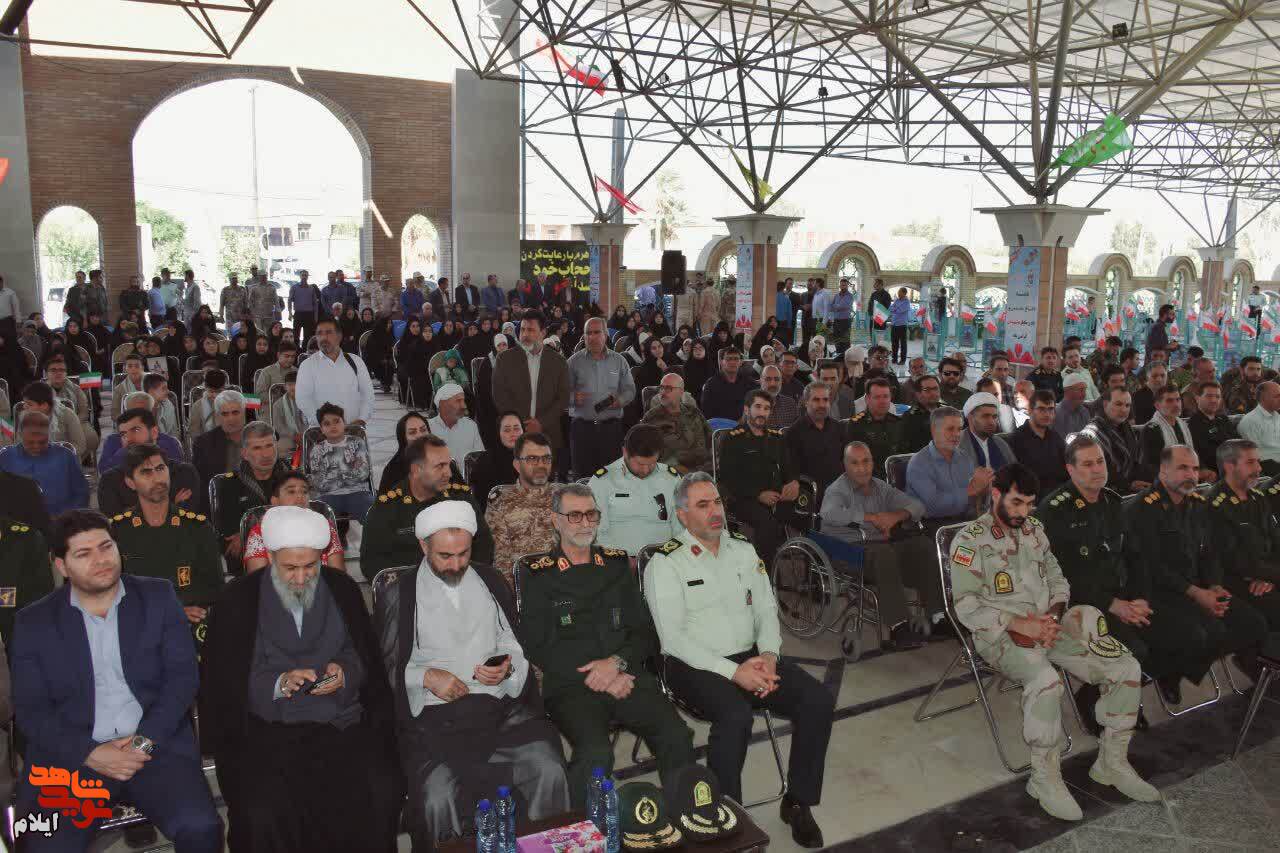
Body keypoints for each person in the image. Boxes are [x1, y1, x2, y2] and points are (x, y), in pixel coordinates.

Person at [949, 464, 1157, 821]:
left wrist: (1054, 618)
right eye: (1016, 502)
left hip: (1050, 626)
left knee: (1125, 666)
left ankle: (1112, 763)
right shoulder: (970, 540)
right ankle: (1043, 778)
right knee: (1046, 681)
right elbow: (966, 606)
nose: (1024, 512)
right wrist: (1021, 625)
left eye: (1030, 503)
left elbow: (1058, 579)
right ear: (996, 494)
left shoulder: (1035, 530)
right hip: (1000, 636)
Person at [12, 510, 224, 852]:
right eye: (84, 553)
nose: (101, 560)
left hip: (153, 747)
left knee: (201, 828)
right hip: (73, 758)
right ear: (61, 565)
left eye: (106, 547)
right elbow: (31, 710)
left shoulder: (157, 597)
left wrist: (143, 744)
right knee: (44, 845)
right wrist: (90, 753)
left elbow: (182, 679)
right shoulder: (34, 622)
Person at [646, 473, 832, 847]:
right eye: (702, 505)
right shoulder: (666, 563)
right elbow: (673, 640)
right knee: (735, 716)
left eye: (716, 502)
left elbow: (765, 609)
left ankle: (798, 802)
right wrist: (734, 672)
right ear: (682, 515)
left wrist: (769, 655)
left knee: (817, 700)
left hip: (751, 656)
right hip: (693, 664)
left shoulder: (744, 550)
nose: (714, 511)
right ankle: (727, 817)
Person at [202, 505, 402, 852]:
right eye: (290, 568)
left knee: (378, 792)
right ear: (271, 558)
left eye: (310, 566)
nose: (300, 577)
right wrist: (279, 683)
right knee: (262, 814)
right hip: (268, 729)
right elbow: (228, 679)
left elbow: (361, 655)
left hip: (340, 720)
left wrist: (344, 672)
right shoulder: (238, 600)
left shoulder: (341, 589)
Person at [373, 500, 570, 851]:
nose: (456, 564)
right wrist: (426, 677)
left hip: (500, 711)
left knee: (548, 767)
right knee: (436, 797)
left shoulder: (490, 579)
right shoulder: (399, 592)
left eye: (463, 554)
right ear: (423, 546)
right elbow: (385, 667)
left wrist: (506, 666)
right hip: (433, 720)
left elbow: (511, 641)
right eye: (445, 556)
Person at [520, 483, 694, 803]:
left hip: (626, 675)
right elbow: (538, 645)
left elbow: (644, 631)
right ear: (555, 520)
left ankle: (683, 812)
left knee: (677, 735)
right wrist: (599, 674)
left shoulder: (615, 564)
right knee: (596, 755)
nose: (585, 523)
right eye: (574, 516)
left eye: (591, 514)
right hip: (572, 686)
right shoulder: (538, 574)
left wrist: (616, 664)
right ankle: (584, 827)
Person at [1126, 445, 1269, 704]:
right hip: (1158, 592)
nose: (1191, 475)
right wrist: (1196, 593)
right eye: (1183, 468)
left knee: (1252, 623)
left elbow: (1210, 553)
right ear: (1163, 471)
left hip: (1196, 587)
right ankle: (1161, 671)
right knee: (1203, 633)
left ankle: (1178, 668)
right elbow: (1151, 566)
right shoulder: (1143, 508)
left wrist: (1214, 585)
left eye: (1194, 469)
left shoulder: (1197, 505)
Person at [819, 441, 942, 648]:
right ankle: (899, 627)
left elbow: (917, 506)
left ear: (872, 462)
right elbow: (829, 513)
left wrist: (896, 516)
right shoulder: (837, 490)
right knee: (884, 553)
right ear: (845, 465)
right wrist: (871, 518)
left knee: (923, 545)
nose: (862, 468)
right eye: (855, 463)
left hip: (879, 547)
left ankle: (938, 616)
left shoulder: (880, 487)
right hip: (847, 550)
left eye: (866, 461)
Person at [110, 444, 223, 634]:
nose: (157, 478)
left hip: (189, 624)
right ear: (130, 482)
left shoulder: (197, 528)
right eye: (146, 472)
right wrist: (168, 612)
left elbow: (214, 588)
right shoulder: (118, 532)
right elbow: (112, 593)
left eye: (160, 469)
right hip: (138, 625)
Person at [363, 434, 493, 574]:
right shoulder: (388, 507)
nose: (449, 473)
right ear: (416, 470)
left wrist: (462, 574)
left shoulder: (461, 499)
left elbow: (484, 544)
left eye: (448, 465)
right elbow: (371, 563)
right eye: (440, 466)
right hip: (409, 584)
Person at [1204, 439, 1280, 650]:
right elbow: (1233, 560)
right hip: (1236, 581)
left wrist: (1270, 577)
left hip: (1265, 574)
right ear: (1229, 466)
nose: (1259, 468)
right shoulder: (1216, 505)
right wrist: (1271, 576)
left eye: (1258, 461)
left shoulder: (1257, 497)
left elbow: (1275, 540)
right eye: (1251, 462)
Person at [717, 389, 803, 569]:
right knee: (768, 524)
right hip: (743, 498)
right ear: (746, 409)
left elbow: (789, 467)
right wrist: (758, 494)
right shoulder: (733, 438)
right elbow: (727, 478)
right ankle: (767, 576)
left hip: (777, 497)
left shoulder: (777, 437)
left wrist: (793, 482)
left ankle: (812, 576)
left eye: (766, 408)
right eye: (757, 407)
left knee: (807, 514)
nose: (762, 412)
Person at [492, 310, 571, 478]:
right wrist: (522, 424)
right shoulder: (504, 360)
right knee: (515, 486)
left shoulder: (558, 362)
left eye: (530, 330)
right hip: (515, 435)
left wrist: (541, 422)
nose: (525, 335)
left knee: (545, 486)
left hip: (548, 436)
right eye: (522, 329)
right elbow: (500, 396)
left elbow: (563, 398)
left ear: (543, 332)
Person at [588, 424, 681, 558]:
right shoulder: (603, 481)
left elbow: (680, 528)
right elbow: (596, 532)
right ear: (625, 452)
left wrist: (669, 558)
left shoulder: (671, 478)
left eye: (652, 463)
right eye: (640, 464)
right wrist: (618, 559)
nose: (646, 470)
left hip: (663, 559)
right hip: (618, 560)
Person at [210, 421, 288, 576]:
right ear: (244, 453)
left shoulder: (291, 478)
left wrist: (249, 530)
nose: (266, 454)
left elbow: (300, 517)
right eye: (257, 448)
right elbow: (231, 539)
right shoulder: (228, 484)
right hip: (247, 567)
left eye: (269, 445)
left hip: (291, 554)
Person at [99, 408, 200, 517]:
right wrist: (173, 507)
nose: (128, 439)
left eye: (135, 430)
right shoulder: (110, 480)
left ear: (154, 432)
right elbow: (117, 524)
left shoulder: (184, 473)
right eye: (123, 434)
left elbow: (189, 521)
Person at [486, 432, 557, 584]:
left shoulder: (565, 495)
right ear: (517, 465)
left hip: (564, 581)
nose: (541, 465)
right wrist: (512, 593)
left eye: (546, 458)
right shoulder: (501, 500)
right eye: (532, 459)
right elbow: (501, 559)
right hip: (524, 585)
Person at [242, 471, 346, 573]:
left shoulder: (324, 527)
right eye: (291, 492)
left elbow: (338, 575)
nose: (300, 496)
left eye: (304, 492)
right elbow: (258, 579)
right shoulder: (261, 531)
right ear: (275, 501)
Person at [905, 406, 986, 524]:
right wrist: (969, 491)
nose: (957, 434)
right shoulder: (919, 463)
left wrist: (984, 487)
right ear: (934, 430)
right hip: (931, 525)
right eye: (950, 429)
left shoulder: (964, 457)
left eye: (959, 429)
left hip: (965, 521)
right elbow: (934, 506)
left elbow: (974, 497)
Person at [0, 411, 88, 516]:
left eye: (42, 442)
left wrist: (67, 515)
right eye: (30, 442)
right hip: (18, 520)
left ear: (49, 435)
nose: (36, 446)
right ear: (20, 435)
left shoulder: (65, 456)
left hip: (63, 519)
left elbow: (81, 493)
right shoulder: (6, 457)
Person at [295, 316, 375, 431]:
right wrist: (325, 424)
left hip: (354, 430)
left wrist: (362, 419)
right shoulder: (307, 365)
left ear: (339, 336)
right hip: (322, 433)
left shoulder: (355, 361)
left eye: (328, 332)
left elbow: (368, 394)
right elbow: (303, 399)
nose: (323, 337)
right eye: (319, 333)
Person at [308, 402, 375, 526]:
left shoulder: (357, 443)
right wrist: (350, 470)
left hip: (358, 493)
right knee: (316, 520)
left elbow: (363, 473)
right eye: (327, 424)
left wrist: (333, 475)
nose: (333, 426)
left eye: (337, 421)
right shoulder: (317, 450)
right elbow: (319, 483)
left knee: (374, 515)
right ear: (321, 429)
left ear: (344, 423)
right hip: (328, 496)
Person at [784, 381, 848, 501]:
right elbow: (791, 469)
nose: (822, 405)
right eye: (816, 400)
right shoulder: (794, 432)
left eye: (825, 400)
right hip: (810, 494)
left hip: (841, 492)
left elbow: (847, 460)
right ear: (806, 402)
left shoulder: (839, 428)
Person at [642, 373, 711, 472]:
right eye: (661, 388)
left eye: (668, 388)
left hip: (704, 468)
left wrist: (713, 462)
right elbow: (646, 453)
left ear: (681, 391)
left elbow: (711, 439)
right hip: (672, 472)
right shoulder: (651, 418)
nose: (663, 392)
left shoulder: (693, 412)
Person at [1007, 390, 1068, 492]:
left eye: (1050, 409)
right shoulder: (1016, 439)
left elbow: (1066, 469)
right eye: (1041, 409)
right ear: (1030, 410)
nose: (1047, 414)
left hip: (1058, 493)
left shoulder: (1055, 437)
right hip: (1031, 495)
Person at [846, 377, 903, 481]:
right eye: (877, 397)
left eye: (886, 396)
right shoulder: (856, 424)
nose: (882, 401)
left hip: (897, 478)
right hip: (868, 480)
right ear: (867, 399)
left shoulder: (898, 422)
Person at [21, 380, 89, 461]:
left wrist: (55, 455)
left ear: (44, 405)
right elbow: (19, 444)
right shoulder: (24, 417)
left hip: (62, 461)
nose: (24, 407)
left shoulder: (67, 415)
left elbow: (80, 446)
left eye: (29, 404)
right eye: (24, 403)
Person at [1138, 384, 1190, 481]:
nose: (1176, 404)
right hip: (1163, 480)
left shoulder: (1183, 425)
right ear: (1157, 405)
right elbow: (1151, 465)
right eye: (1169, 401)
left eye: (1178, 400)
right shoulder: (1151, 429)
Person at [1188, 380, 1237, 483]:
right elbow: (1199, 454)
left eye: (1217, 397)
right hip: (1215, 473)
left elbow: (1238, 443)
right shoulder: (1193, 425)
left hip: (1235, 467)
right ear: (1197, 398)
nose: (1214, 400)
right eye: (1209, 396)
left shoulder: (1223, 420)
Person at [957, 392, 1016, 471]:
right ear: (970, 417)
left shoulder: (1001, 444)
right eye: (985, 416)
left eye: (994, 417)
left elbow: (1015, 472)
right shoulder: (956, 443)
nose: (992, 422)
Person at [1236, 380, 1280, 476]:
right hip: (1268, 466)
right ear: (1264, 398)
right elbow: (1254, 455)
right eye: (1277, 396)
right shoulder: (1250, 421)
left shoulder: (1277, 416)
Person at [699, 346, 755, 421]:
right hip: (720, 424)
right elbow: (706, 413)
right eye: (728, 359)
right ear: (721, 362)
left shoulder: (749, 382)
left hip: (745, 423)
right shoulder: (711, 385)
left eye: (736, 359)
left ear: (741, 362)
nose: (732, 362)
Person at [900, 374, 941, 453]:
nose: (933, 393)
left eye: (935, 389)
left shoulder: (948, 411)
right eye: (927, 390)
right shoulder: (910, 417)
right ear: (918, 394)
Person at [288, 270, 322, 343]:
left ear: (307, 277)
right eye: (302, 275)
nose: (304, 277)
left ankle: (305, 349)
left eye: (305, 275)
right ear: (300, 276)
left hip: (309, 315)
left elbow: (315, 304)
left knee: (307, 336)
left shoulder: (311, 288)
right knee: (296, 335)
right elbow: (289, 300)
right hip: (298, 314)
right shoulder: (294, 287)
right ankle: (296, 349)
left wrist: (315, 317)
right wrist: (290, 313)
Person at [888, 287, 912, 364]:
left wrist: (895, 309)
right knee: (894, 343)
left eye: (900, 292)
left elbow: (900, 310)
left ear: (904, 293)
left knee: (903, 344)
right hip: (894, 324)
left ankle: (902, 360)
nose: (898, 293)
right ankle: (894, 358)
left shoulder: (906, 302)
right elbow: (890, 308)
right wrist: (895, 309)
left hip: (902, 325)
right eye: (898, 292)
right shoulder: (897, 300)